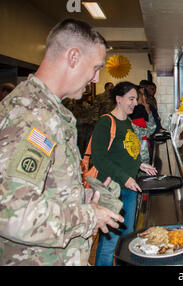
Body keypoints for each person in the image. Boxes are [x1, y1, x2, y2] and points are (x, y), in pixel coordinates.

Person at [0, 18, 124, 266]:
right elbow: (13, 214)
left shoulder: (48, 110)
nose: (95, 79)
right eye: (96, 67)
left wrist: (87, 195)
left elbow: (42, 187)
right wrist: (88, 216)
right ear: (74, 57)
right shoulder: (32, 116)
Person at [91, 81, 157, 266]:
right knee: (110, 241)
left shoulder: (126, 122)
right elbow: (99, 158)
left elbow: (128, 151)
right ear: (118, 99)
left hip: (128, 188)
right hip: (113, 190)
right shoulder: (106, 123)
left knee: (125, 238)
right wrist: (125, 178)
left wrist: (140, 165)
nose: (135, 103)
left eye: (135, 99)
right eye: (131, 98)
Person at [130, 87, 157, 166]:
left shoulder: (139, 108)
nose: (144, 97)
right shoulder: (137, 110)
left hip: (143, 150)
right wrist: (148, 110)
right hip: (141, 152)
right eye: (142, 95)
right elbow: (150, 129)